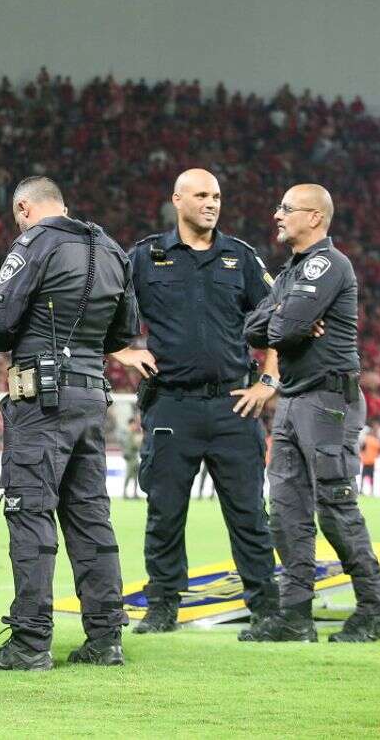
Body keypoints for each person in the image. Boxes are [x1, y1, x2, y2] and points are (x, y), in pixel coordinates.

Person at [0, 175, 139, 671]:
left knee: (30, 511)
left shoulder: (35, 243)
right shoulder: (110, 248)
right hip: (91, 395)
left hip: (42, 399)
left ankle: (29, 642)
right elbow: (124, 331)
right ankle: (106, 638)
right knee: (90, 518)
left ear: (25, 207)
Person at [114, 169, 279, 637]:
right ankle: (162, 605)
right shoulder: (146, 257)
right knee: (165, 512)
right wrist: (122, 350)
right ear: (177, 200)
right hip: (171, 405)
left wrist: (268, 380)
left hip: (234, 404)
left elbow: (277, 324)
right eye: (202, 195)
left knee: (248, 512)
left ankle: (266, 607)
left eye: (218, 196)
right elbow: (100, 307)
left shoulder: (240, 258)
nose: (212, 203)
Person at [243, 183, 380, 644]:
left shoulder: (329, 263)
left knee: (334, 505)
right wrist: (287, 321)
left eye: (287, 209)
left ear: (315, 218)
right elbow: (253, 327)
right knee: (286, 510)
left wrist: (287, 322)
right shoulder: (292, 272)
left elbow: (281, 327)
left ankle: (375, 610)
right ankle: (294, 616)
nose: (277, 215)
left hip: (329, 401)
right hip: (291, 400)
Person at [121, 416, 142, 500]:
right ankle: (125, 493)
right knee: (128, 476)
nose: (134, 426)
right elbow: (127, 446)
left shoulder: (134, 434)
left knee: (135, 477)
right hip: (130, 458)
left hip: (134, 458)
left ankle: (135, 494)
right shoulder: (127, 434)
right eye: (133, 424)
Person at [360, 426, 380, 496]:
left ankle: (361, 490)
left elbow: (362, 448)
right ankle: (372, 491)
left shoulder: (366, 440)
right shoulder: (376, 441)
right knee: (371, 477)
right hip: (372, 461)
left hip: (365, 461)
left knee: (363, 477)